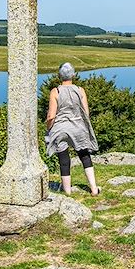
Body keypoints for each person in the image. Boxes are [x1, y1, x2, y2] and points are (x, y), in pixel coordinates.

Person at [45, 62, 100, 195]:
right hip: (78, 126)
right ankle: (93, 188)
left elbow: (51, 116)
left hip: (61, 128)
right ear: (73, 75)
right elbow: (86, 112)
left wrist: (48, 128)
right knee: (84, 155)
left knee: (63, 158)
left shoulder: (55, 91)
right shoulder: (80, 90)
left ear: (59, 75)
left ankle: (67, 191)